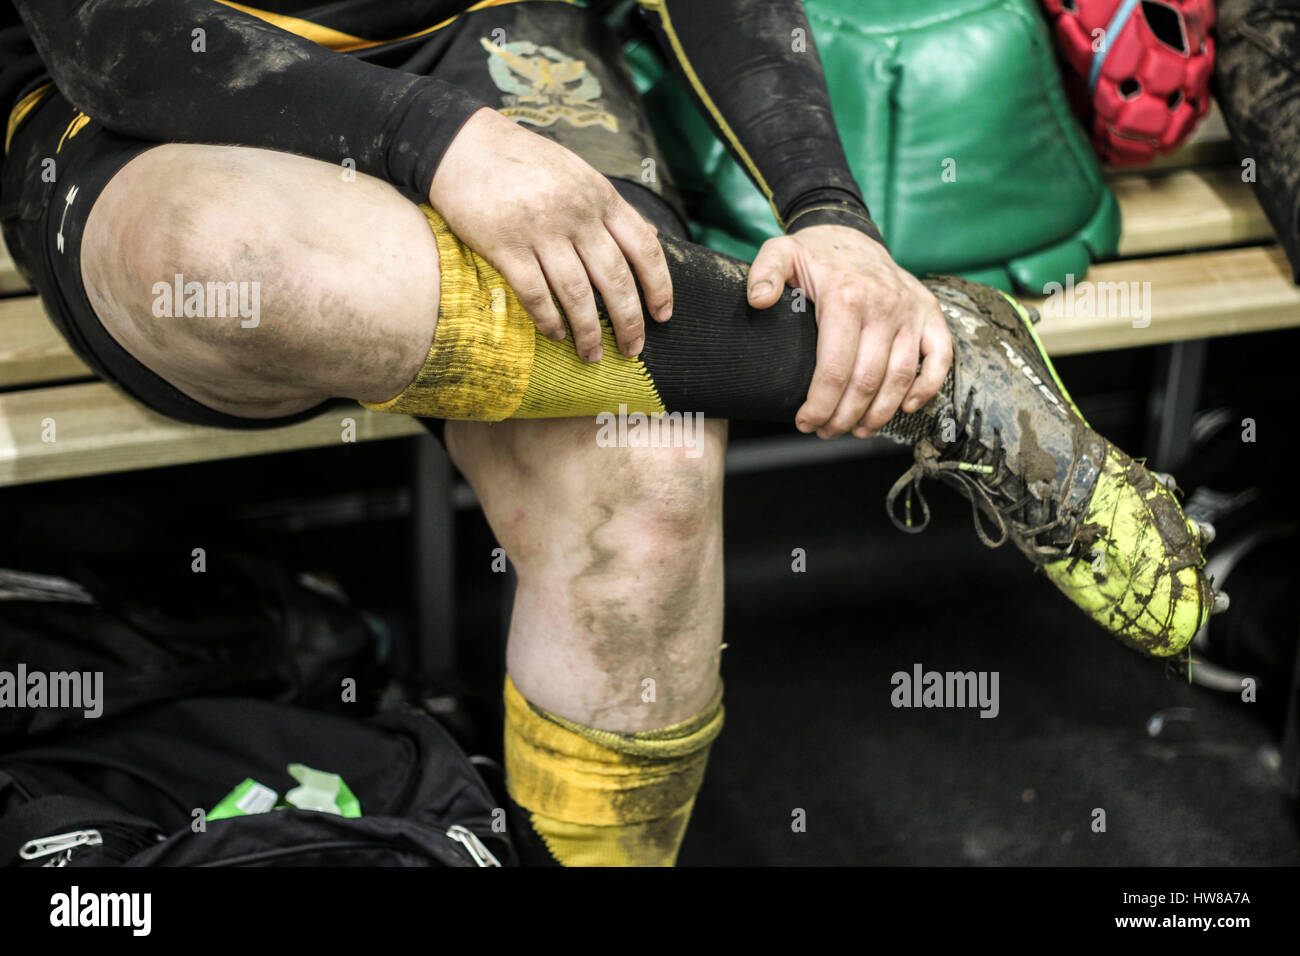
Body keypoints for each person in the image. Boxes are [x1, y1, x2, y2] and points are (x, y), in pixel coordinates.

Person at [0, 0, 1220, 866]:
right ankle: (930, 372)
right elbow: (112, 31)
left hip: (494, 36)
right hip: (163, 88)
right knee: (223, 262)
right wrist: (435, 144)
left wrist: (828, 217)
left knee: (651, 476)